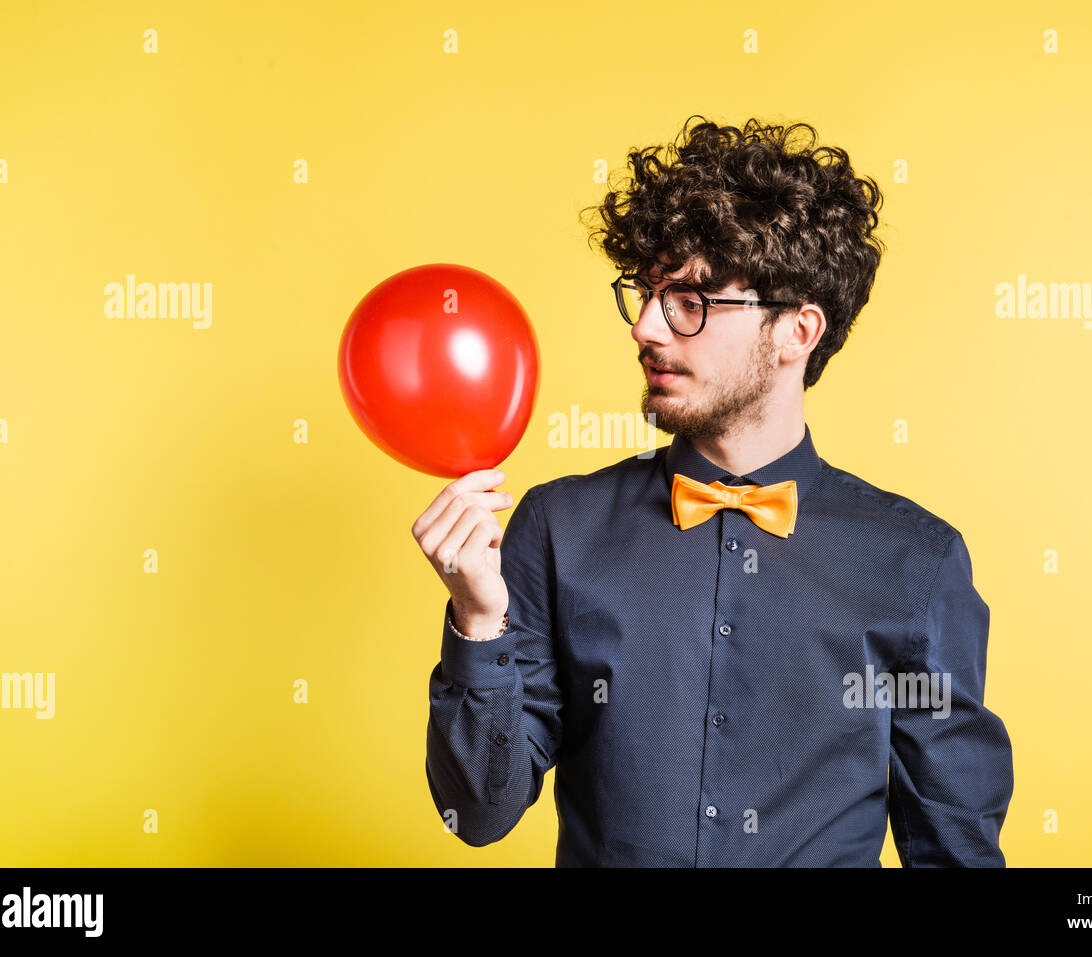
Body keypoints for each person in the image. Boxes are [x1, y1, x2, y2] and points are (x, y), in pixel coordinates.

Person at [413, 115, 1014, 866]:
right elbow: (474, 812)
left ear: (797, 331)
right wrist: (478, 620)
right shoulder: (557, 526)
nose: (647, 328)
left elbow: (953, 845)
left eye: (691, 299)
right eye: (646, 292)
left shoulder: (916, 562)